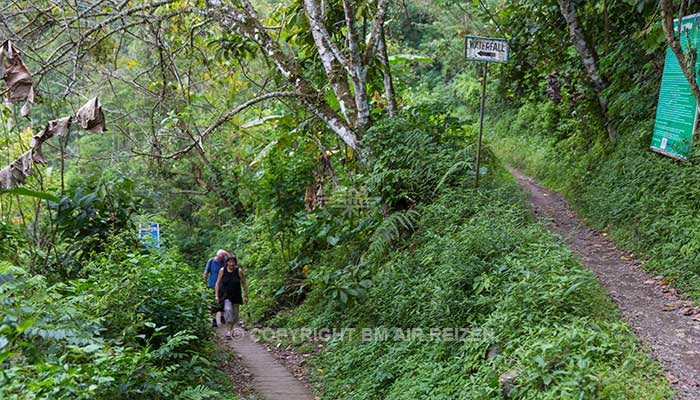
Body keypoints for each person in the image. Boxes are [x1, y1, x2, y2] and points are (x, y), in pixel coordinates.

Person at [214, 254, 249, 339]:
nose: (231, 264)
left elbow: (244, 283)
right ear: (227, 263)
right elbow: (217, 283)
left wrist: (246, 295)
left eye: (233, 262)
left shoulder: (239, 271)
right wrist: (216, 295)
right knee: (228, 310)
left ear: (235, 262)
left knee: (235, 315)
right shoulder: (222, 270)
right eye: (229, 262)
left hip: (236, 295)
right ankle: (229, 331)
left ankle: (232, 329)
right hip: (226, 296)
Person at [204, 249, 228, 327]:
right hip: (212, 285)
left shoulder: (224, 261)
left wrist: (226, 253)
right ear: (216, 255)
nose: (219, 259)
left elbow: (233, 261)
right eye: (219, 257)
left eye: (221, 257)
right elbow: (206, 273)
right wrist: (204, 283)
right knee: (213, 303)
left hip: (223, 285)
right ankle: (214, 320)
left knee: (223, 302)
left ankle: (222, 317)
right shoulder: (211, 261)